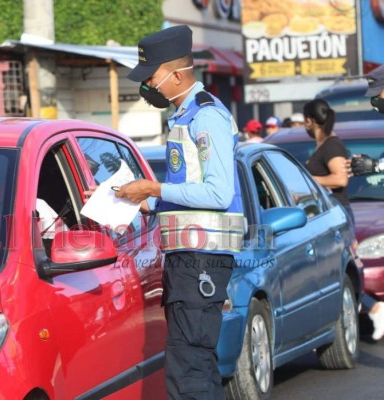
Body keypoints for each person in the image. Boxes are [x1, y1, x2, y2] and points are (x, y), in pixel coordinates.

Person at [114, 24, 244, 399]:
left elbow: (219, 193)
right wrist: (145, 200)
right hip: (189, 259)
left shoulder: (206, 117)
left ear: (177, 74)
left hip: (202, 260)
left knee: (187, 371)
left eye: (152, 77)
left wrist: (155, 187)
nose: (148, 87)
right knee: (193, 367)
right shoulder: (185, 117)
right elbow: (188, 189)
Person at [303, 98, 384, 341]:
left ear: (309, 121)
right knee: (339, 269)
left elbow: (340, 179)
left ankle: (374, 308)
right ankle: (373, 307)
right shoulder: (325, 146)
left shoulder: (331, 146)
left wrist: (307, 181)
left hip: (337, 213)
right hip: (327, 215)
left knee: (345, 267)